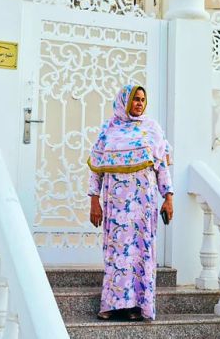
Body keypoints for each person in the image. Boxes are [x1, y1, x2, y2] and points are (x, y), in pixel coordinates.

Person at [87, 85, 174, 321]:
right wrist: (94, 201)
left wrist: (168, 197)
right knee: (117, 254)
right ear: (124, 101)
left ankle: (138, 306)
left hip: (143, 206)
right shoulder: (109, 129)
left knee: (140, 253)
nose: (139, 103)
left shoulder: (151, 129)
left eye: (142, 99)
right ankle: (113, 304)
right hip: (116, 206)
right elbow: (96, 169)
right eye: (135, 99)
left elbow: (161, 166)